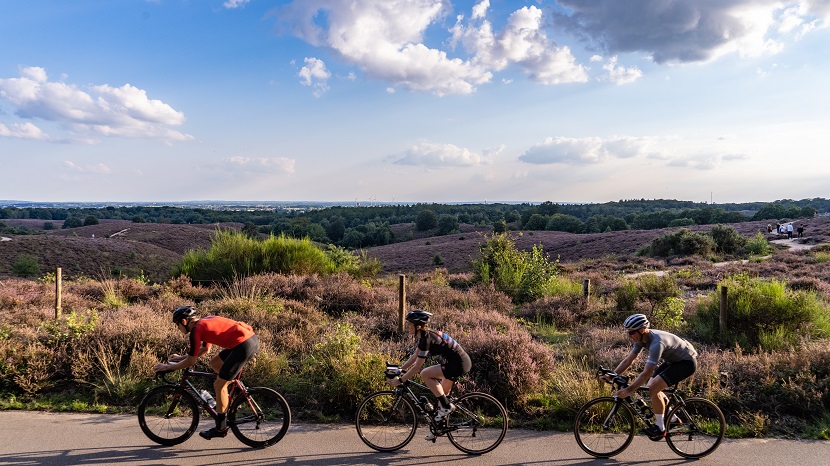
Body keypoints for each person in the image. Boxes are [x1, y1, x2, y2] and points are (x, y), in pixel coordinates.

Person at [153, 306, 259, 440]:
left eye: (177, 324)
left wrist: (167, 367)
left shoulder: (196, 330)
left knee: (219, 385)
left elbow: (191, 361)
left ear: (184, 322)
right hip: (247, 340)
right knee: (214, 363)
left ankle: (221, 428)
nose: (177, 328)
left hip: (243, 345)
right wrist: (180, 358)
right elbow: (204, 350)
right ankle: (231, 394)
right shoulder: (202, 324)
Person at [604, 313, 698, 439]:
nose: (629, 335)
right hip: (673, 361)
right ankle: (673, 419)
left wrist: (629, 390)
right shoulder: (641, 339)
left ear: (642, 330)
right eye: (628, 332)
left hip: (686, 363)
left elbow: (647, 372)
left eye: (631, 332)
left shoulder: (657, 343)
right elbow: (628, 360)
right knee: (651, 386)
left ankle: (660, 428)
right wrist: (612, 375)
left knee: (653, 388)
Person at [388, 310, 472, 440]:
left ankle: (447, 406)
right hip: (457, 362)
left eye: (410, 324)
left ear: (418, 326)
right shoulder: (425, 336)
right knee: (441, 396)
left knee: (425, 373)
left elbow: (417, 367)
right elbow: (415, 356)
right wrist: (401, 368)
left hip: (459, 364)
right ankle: (437, 428)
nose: (408, 327)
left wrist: (401, 380)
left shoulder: (426, 339)